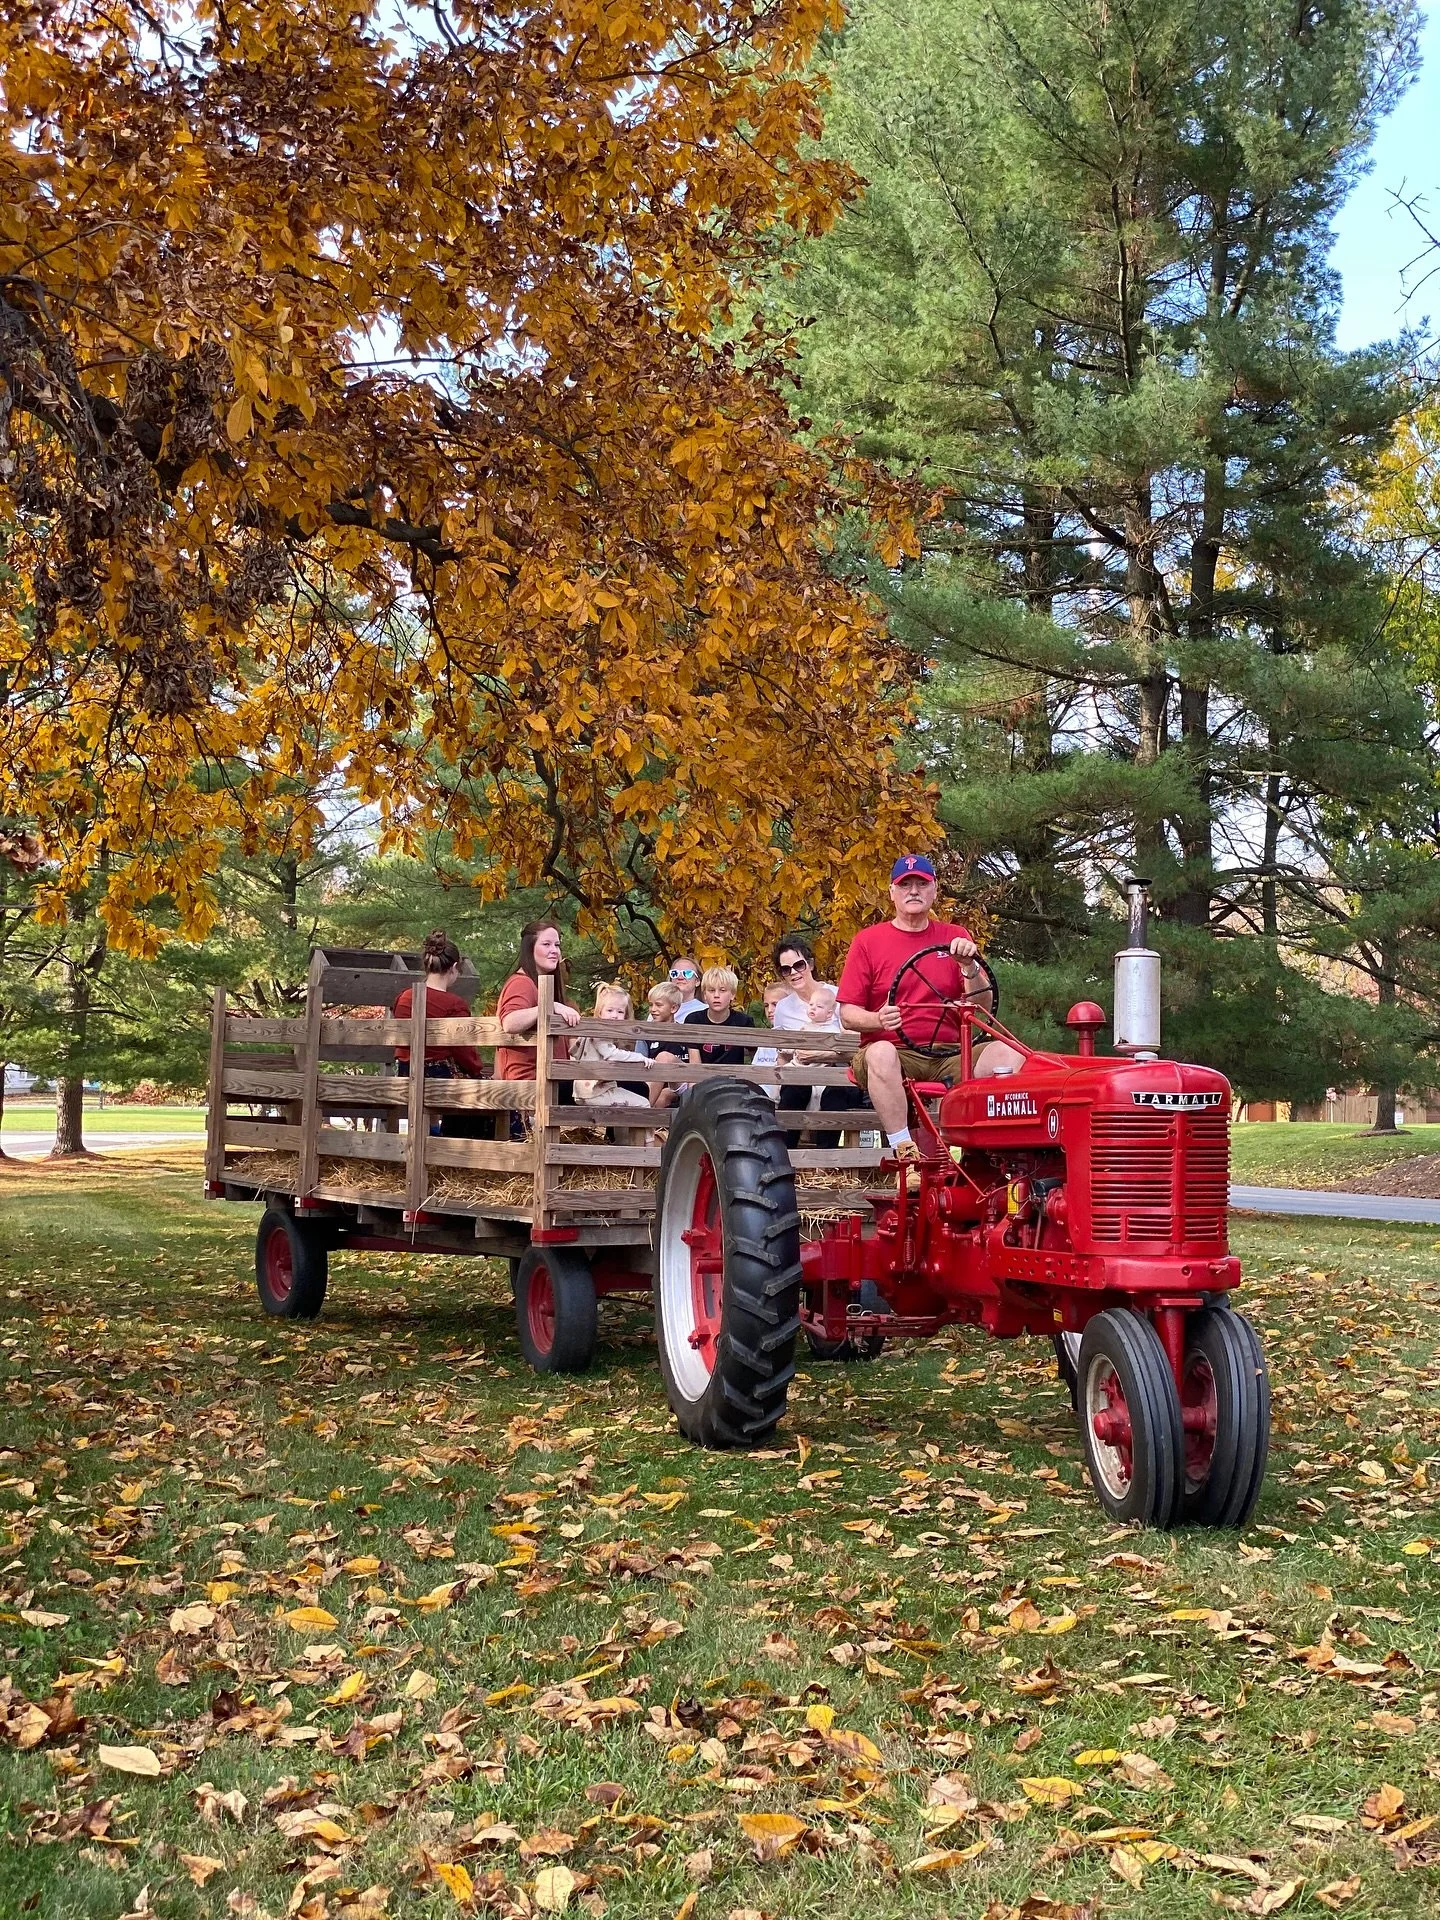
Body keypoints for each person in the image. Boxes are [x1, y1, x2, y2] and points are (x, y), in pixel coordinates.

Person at [836, 855, 995, 1166]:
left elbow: (983, 1010)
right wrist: (877, 1019)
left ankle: (988, 1156)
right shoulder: (868, 941)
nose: (913, 891)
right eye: (904, 884)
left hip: (949, 1053)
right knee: (881, 1052)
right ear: (892, 892)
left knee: (1007, 1056)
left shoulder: (955, 937)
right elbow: (847, 1014)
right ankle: (906, 1153)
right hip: (893, 1053)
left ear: (934, 890)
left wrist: (969, 966)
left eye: (921, 883)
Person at [393, 929, 493, 1138]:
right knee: (491, 1094)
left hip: (405, 1072)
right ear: (455, 968)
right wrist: (478, 1070)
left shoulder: (404, 998)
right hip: (438, 1076)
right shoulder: (455, 1004)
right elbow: (464, 1053)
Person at [772, 936, 863, 1146]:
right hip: (800, 1072)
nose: (794, 972)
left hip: (837, 1072)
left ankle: (825, 1162)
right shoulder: (783, 1008)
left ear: (810, 964)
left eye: (798, 965)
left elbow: (856, 1046)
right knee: (794, 1090)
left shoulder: (837, 996)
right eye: (786, 969)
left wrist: (821, 1054)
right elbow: (781, 1054)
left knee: (836, 1093)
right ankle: (787, 1159)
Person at [495, 920, 581, 1086]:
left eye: (557, 945)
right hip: (530, 1083)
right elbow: (510, 1023)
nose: (554, 951)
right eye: (546, 944)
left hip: (552, 1078)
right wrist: (551, 1006)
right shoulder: (521, 983)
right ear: (530, 948)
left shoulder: (541, 984)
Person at [572, 984, 651, 1108]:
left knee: (632, 1098)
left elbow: (574, 1051)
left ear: (625, 1016)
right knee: (643, 1104)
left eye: (620, 1012)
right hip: (594, 1092)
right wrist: (640, 1057)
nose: (614, 1015)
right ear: (600, 1012)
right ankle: (645, 1128)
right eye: (610, 1010)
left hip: (592, 1090)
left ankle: (623, 1127)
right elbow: (611, 1054)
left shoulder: (593, 1031)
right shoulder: (600, 1032)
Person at [683, 965, 755, 1066]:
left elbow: (756, 1056)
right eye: (711, 990)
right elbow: (695, 1064)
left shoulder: (743, 1021)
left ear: (732, 994)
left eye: (722, 990)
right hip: (703, 1079)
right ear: (704, 995)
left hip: (734, 1079)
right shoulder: (693, 1020)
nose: (716, 995)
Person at [752, 980, 789, 1101]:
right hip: (759, 1099)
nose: (770, 1010)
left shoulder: (796, 1033)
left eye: (775, 1004)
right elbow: (754, 1072)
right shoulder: (765, 1040)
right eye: (766, 1005)